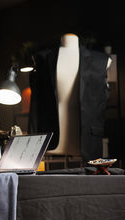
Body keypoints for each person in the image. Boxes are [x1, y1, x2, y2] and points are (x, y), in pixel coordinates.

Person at [29, 33, 111, 162]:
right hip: (50, 142)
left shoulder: (100, 60)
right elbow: (35, 105)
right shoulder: (42, 58)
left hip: (87, 142)